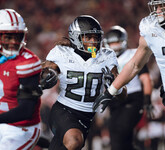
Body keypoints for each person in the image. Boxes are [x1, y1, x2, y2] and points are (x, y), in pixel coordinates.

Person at [93, 0, 165, 145]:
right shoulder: (150, 29)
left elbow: (143, 76)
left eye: (163, 5)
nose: (158, 11)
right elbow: (134, 65)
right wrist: (111, 91)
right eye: (156, 6)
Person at [40, 15, 127, 150]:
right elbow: (47, 71)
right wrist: (48, 75)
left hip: (88, 116)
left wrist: (115, 87)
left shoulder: (107, 56)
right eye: (88, 37)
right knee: (74, 142)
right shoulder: (61, 53)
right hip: (64, 110)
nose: (93, 41)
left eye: (96, 37)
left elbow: (123, 95)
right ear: (76, 37)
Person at [0, 9, 45, 149]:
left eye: (18, 37)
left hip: (23, 129)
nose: (14, 42)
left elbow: (26, 110)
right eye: (8, 37)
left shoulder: (28, 63)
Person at [103, 25, 154, 150]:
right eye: (112, 42)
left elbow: (145, 78)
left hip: (132, 98)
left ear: (124, 42)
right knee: (116, 139)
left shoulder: (133, 54)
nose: (114, 45)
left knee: (122, 130)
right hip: (114, 101)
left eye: (117, 42)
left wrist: (147, 98)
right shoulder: (104, 58)